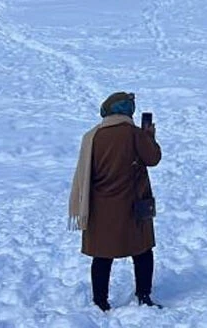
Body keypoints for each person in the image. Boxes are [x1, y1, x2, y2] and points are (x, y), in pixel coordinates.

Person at [68, 92, 163, 312]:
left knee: (102, 256)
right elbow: (153, 158)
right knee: (142, 252)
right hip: (133, 205)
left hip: (100, 207)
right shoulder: (134, 134)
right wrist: (149, 137)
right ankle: (143, 295)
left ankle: (100, 301)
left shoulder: (92, 136)